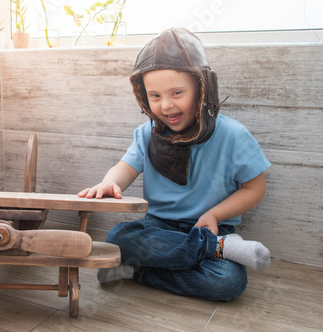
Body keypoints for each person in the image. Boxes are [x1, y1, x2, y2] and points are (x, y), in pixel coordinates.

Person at [77, 28, 271, 301]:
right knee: (118, 237)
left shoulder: (233, 135)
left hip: (214, 227)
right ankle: (213, 249)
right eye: (155, 96)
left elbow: (255, 187)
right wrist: (110, 182)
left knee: (227, 282)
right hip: (158, 228)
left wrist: (214, 215)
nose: (166, 105)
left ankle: (140, 271)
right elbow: (126, 167)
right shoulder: (147, 133)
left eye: (177, 92)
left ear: (201, 88)